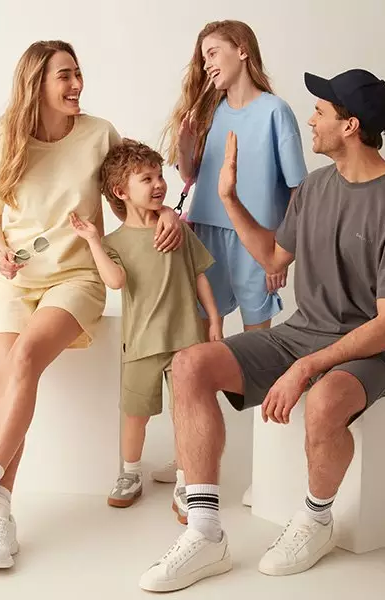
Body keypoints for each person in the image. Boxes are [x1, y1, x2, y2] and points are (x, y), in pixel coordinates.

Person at [139, 68, 385, 592]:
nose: (311, 119)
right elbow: (275, 256)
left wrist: (309, 367)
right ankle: (206, 533)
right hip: (304, 331)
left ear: (350, 125)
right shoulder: (316, 188)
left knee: (322, 404)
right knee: (189, 365)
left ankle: (316, 522)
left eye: (320, 111)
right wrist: (229, 199)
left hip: (377, 349)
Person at [0, 40, 184, 572]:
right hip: (12, 282)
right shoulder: (6, 138)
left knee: (23, 361)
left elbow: (133, 190)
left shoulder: (98, 133)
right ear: (36, 84)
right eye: (64, 76)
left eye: (78, 74)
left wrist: (168, 214)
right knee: (7, 386)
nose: (76, 85)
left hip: (75, 279)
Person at [154, 18, 309, 510]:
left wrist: (279, 251)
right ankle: (188, 466)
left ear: (242, 51)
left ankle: (268, 473)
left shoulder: (275, 112)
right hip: (205, 237)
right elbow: (191, 175)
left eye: (215, 52)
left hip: (256, 240)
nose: (208, 63)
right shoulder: (211, 110)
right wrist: (184, 145)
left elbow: (300, 191)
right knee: (195, 360)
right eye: (203, 57)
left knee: (260, 357)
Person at [69, 139, 222, 509]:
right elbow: (116, 281)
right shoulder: (115, 241)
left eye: (159, 176)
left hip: (186, 339)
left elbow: (200, 275)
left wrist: (214, 320)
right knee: (135, 414)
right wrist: (93, 241)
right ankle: (130, 472)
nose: (158, 184)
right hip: (140, 344)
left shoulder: (177, 229)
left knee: (186, 413)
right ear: (121, 191)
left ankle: (187, 480)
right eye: (146, 178)